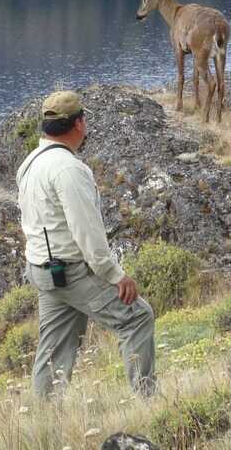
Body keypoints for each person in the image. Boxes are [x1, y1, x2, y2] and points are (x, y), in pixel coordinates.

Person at [16, 90, 156, 397]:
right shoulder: (69, 169)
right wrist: (116, 276)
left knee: (54, 349)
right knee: (137, 319)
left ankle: (43, 423)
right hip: (71, 271)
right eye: (84, 118)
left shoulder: (30, 163)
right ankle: (148, 401)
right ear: (79, 123)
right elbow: (87, 235)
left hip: (42, 269)